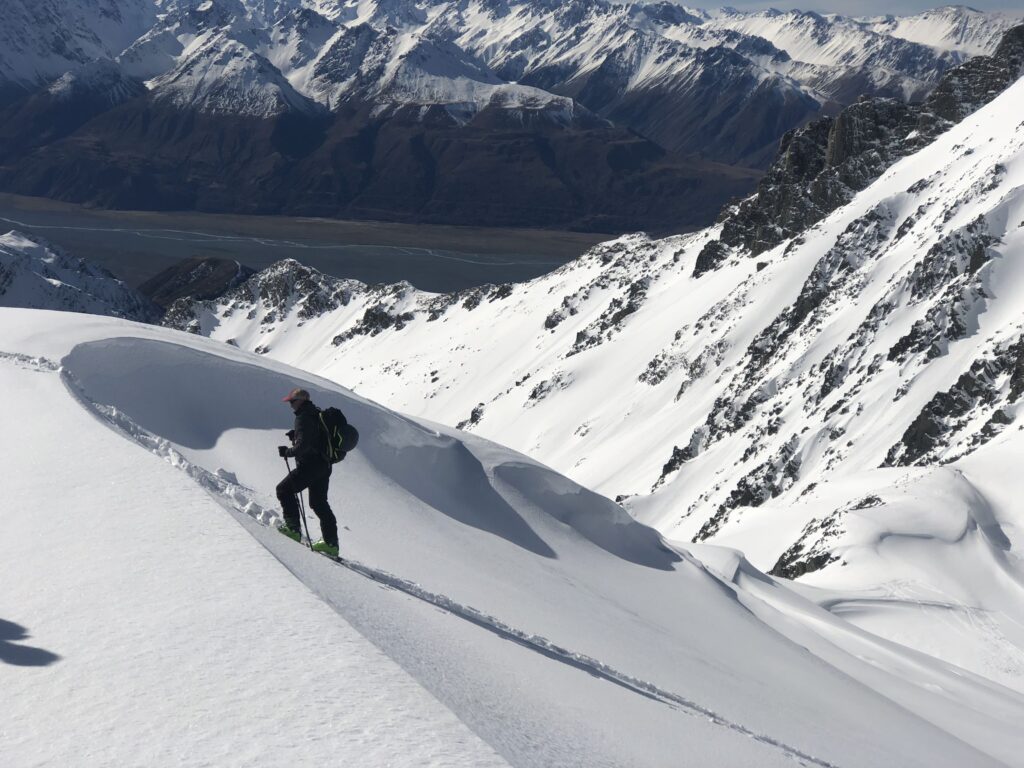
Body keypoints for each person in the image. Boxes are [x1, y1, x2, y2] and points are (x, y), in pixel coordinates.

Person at [276, 387, 339, 556]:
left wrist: (288, 452)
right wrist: (295, 435)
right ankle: (331, 543)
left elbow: (304, 446)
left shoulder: (303, 417)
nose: (290, 406)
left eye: (292, 402)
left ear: (300, 401)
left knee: (283, 490)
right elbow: (313, 438)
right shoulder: (316, 413)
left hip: (310, 465)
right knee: (319, 503)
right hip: (324, 465)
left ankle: (293, 529)